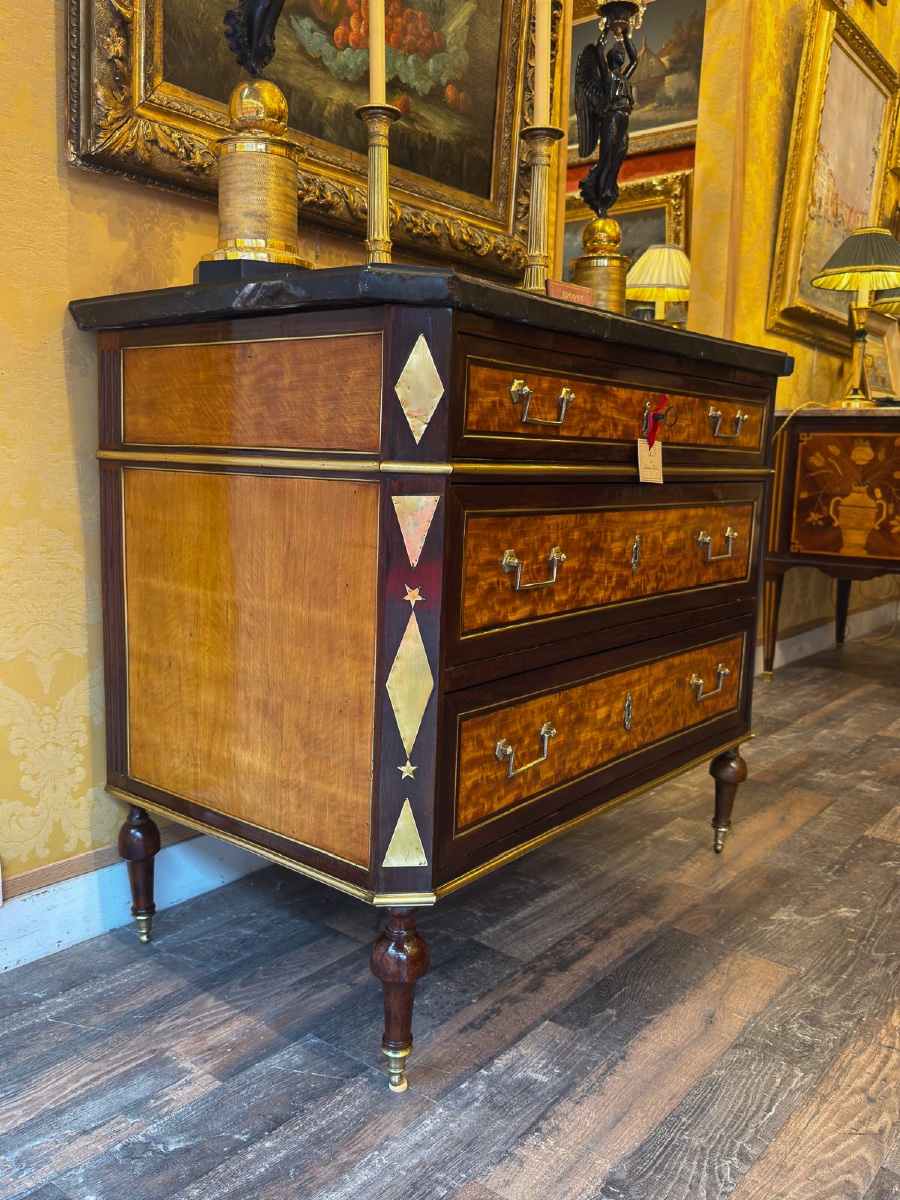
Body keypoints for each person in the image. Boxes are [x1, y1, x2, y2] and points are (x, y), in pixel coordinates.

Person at [574, 22, 638, 217]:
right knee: (607, 159)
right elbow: (599, 49)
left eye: (622, 52)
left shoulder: (624, 78)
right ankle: (599, 199)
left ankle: (608, 193)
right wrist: (606, 28)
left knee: (617, 160)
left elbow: (635, 60)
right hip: (612, 118)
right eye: (618, 52)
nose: (622, 54)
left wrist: (625, 35)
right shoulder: (607, 77)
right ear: (611, 58)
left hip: (624, 120)